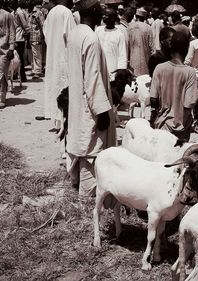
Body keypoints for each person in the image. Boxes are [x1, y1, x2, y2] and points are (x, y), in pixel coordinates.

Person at [67, 0, 116, 197]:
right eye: (101, 11)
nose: (103, 15)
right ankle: (86, 198)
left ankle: (76, 186)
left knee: (80, 141)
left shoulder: (75, 33)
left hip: (78, 103)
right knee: (91, 148)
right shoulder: (91, 38)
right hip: (90, 106)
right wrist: (102, 111)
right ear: (94, 12)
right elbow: (93, 79)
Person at [150, 31, 198, 142]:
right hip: (181, 130)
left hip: (162, 126)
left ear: (171, 47)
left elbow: (153, 98)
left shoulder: (159, 68)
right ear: (187, 49)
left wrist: (154, 118)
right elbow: (188, 103)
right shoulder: (190, 72)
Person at [42, 0, 76, 127]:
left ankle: (57, 121)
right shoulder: (66, 13)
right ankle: (63, 121)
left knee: (54, 85)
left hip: (52, 55)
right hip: (64, 55)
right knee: (63, 86)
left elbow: (45, 34)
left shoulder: (51, 13)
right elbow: (71, 36)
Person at [95, 8, 127, 74]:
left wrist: (120, 71)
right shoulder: (98, 30)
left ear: (113, 18)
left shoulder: (119, 34)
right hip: (98, 68)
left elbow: (122, 55)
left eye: (106, 15)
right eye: (103, 14)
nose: (103, 16)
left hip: (112, 70)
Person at [127, 8, 152, 76]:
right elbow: (151, 46)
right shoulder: (148, 27)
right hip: (145, 62)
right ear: (144, 17)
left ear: (136, 16)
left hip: (132, 62)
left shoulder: (129, 27)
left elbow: (127, 45)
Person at [12, 2, 29, 83]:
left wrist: (26, 33)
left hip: (19, 37)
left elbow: (25, 25)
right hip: (15, 37)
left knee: (20, 58)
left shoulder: (19, 12)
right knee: (15, 57)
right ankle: (15, 74)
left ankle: (22, 76)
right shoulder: (13, 12)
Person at [28, 4, 45, 79]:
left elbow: (43, 24)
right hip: (32, 37)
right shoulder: (32, 12)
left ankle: (38, 71)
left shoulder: (38, 12)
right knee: (33, 54)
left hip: (37, 37)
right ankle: (34, 69)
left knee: (37, 54)